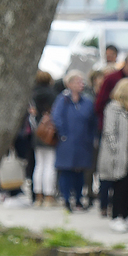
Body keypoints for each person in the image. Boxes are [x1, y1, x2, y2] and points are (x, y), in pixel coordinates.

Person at [100, 77, 128, 229]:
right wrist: (115, 149)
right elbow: (109, 132)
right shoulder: (114, 108)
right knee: (120, 185)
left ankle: (126, 215)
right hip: (120, 155)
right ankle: (116, 216)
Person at [50, 73, 96, 209]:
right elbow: (56, 117)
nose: (80, 84)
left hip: (83, 141)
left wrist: (90, 136)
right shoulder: (62, 100)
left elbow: (93, 119)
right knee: (66, 170)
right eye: (77, 81)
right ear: (69, 84)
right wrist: (63, 134)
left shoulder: (87, 101)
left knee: (80, 171)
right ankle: (66, 199)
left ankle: (78, 199)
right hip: (67, 142)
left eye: (81, 82)